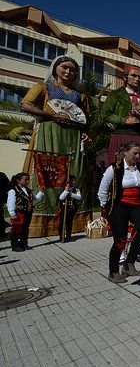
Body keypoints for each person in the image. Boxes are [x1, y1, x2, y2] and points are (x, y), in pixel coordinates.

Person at [20, 55, 90, 237]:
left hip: (73, 136)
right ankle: (43, 222)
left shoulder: (80, 95)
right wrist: (51, 115)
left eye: (73, 69)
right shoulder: (43, 87)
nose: (68, 71)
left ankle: (73, 222)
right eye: (64, 67)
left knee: (75, 174)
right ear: (55, 68)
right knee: (48, 172)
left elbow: (85, 120)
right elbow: (25, 105)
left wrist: (85, 132)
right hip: (49, 133)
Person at [98, 141, 140, 283]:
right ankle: (113, 271)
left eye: (139, 153)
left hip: (138, 204)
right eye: (135, 153)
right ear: (126, 152)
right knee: (120, 239)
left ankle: (129, 263)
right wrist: (107, 208)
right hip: (120, 205)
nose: (138, 156)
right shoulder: (114, 168)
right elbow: (102, 190)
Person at [102, 66, 140, 168]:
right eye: (134, 75)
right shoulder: (115, 94)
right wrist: (124, 120)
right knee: (118, 170)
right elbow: (105, 114)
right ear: (126, 77)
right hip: (121, 136)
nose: (137, 79)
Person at [7, 172, 44, 252]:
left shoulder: (29, 190)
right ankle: (15, 245)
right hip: (18, 213)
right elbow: (10, 203)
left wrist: (41, 192)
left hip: (27, 213)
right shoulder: (13, 190)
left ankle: (23, 243)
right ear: (18, 180)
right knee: (16, 230)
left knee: (25, 229)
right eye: (26, 180)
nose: (28, 181)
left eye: (28, 180)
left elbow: (36, 199)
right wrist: (12, 213)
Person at [58, 175, 81, 243]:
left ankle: (68, 236)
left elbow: (79, 197)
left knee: (69, 223)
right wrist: (66, 191)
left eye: (74, 180)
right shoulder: (62, 189)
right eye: (72, 180)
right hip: (63, 208)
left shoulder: (76, 189)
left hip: (71, 208)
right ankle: (61, 236)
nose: (74, 182)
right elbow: (61, 198)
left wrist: (71, 194)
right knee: (62, 223)